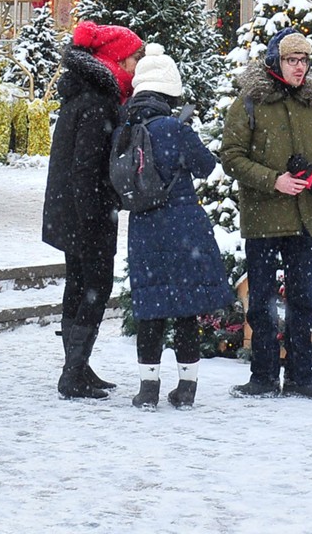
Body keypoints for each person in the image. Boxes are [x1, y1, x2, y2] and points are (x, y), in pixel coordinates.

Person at [220, 27, 312, 400]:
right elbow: (231, 157)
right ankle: (264, 376)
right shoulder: (249, 102)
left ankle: (302, 376)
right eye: (292, 60)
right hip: (264, 219)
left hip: (304, 219)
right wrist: (274, 181)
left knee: (303, 300)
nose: (299, 68)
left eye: (304, 60)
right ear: (276, 61)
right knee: (263, 302)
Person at [121, 44, 234, 409]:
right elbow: (205, 167)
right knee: (186, 308)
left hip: (144, 226)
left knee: (151, 307)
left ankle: (148, 389)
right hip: (183, 226)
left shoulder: (126, 126)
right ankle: (186, 390)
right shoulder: (175, 126)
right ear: (171, 90)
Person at [41, 19, 143, 400]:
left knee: (79, 286)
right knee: (94, 289)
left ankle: (78, 366)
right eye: (133, 59)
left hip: (72, 213)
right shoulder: (99, 104)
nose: (136, 67)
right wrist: (94, 219)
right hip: (89, 216)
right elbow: (85, 168)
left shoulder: (83, 96)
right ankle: (72, 373)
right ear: (115, 60)